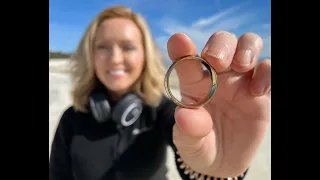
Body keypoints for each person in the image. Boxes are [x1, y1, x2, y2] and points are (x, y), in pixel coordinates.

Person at [49, 5, 271, 180]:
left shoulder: (162, 110)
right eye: (103, 47)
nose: (115, 59)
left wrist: (215, 172)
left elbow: (192, 162)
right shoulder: (71, 119)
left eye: (128, 47)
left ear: (145, 56)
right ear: (90, 56)